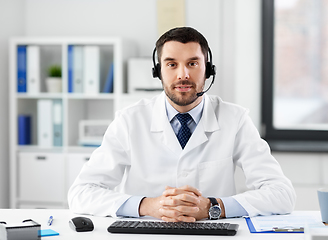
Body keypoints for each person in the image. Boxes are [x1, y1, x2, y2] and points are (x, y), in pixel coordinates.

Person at [68, 27, 296, 222]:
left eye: (193, 63)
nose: (183, 74)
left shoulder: (235, 119)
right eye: (171, 64)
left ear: (208, 69)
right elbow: (81, 193)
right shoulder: (129, 120)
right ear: (158, 72)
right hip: (144, 233)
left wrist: (212, 207)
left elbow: (282, 194)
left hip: (212, 232)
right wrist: (147, 206)